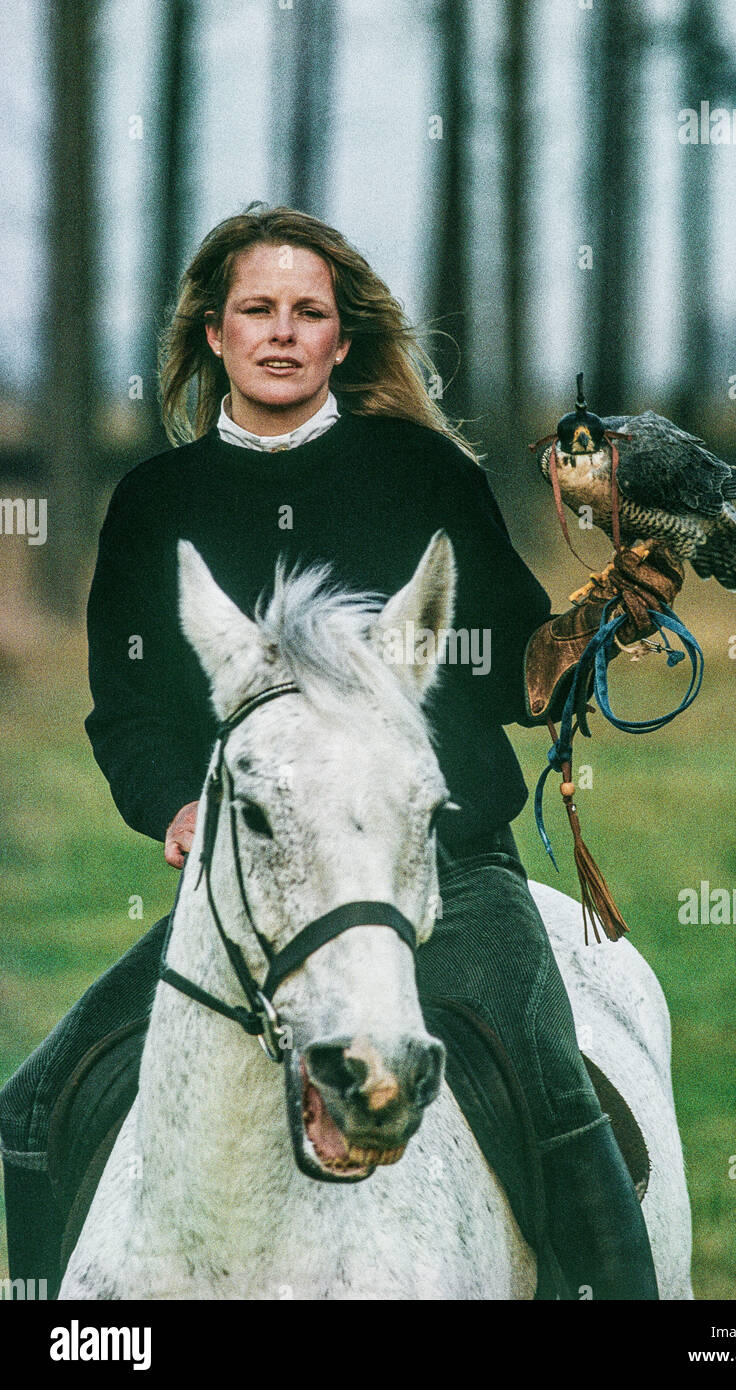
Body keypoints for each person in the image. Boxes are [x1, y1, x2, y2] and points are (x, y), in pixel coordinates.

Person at [0, 205, 674, 1299]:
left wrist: (591, 630)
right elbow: (126, 712)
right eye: (255, 310)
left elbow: (511, 666)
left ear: (341, 341)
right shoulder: (152, 504)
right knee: (37, 1100)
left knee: (555, 1091)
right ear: (213, 335)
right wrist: (176, 804)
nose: (280, 331)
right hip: (255, 882)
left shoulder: (422, 474)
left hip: (451, 872)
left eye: (307, 312)